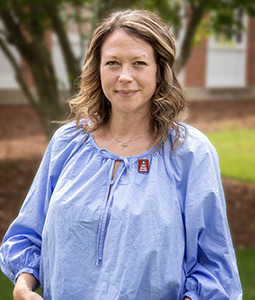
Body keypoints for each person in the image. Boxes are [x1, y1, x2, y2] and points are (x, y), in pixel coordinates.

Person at [0, 9, 242, 300]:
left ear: (159, 70)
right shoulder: (67, 144)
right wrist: (23, 287)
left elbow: (213, 265)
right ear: (98, 68)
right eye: (113, 63)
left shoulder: (190, 153)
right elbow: (29, 234)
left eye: (139, 63)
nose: (124, 77)